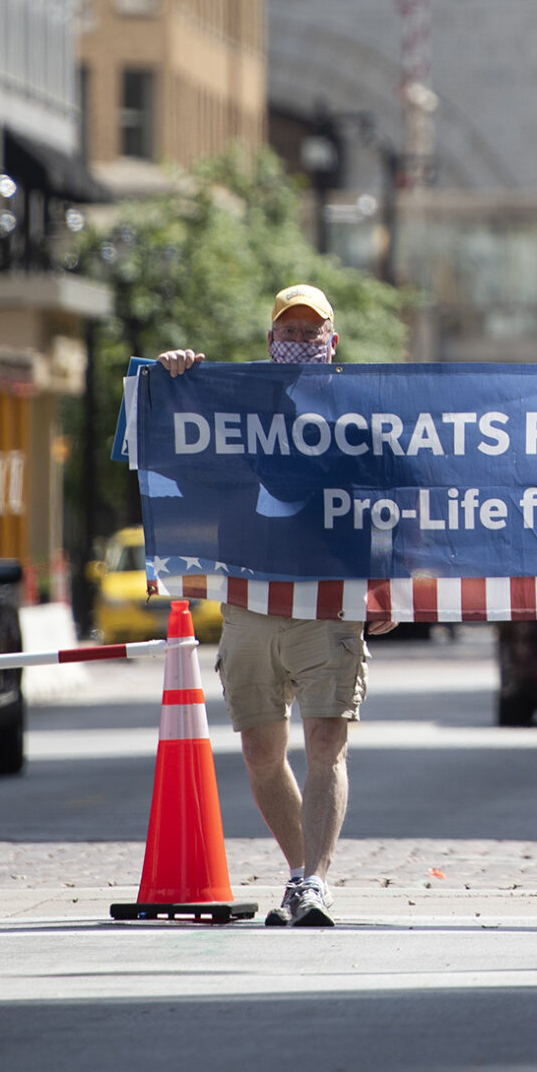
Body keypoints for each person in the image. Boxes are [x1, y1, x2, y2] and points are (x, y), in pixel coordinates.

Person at [155, 284, 391, 928]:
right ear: (269, 341)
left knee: (325, 745)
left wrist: (386, 582)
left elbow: (393, 497)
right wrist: (175, 376)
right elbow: (170, 433)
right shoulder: (230, 396)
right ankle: (297, 873)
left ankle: (316, 881)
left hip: (328, 599)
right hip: (249, 600)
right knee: (262, 752)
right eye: (289, 330)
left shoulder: (359, 410)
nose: (301, 341)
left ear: (332, 342)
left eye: (312, 332)